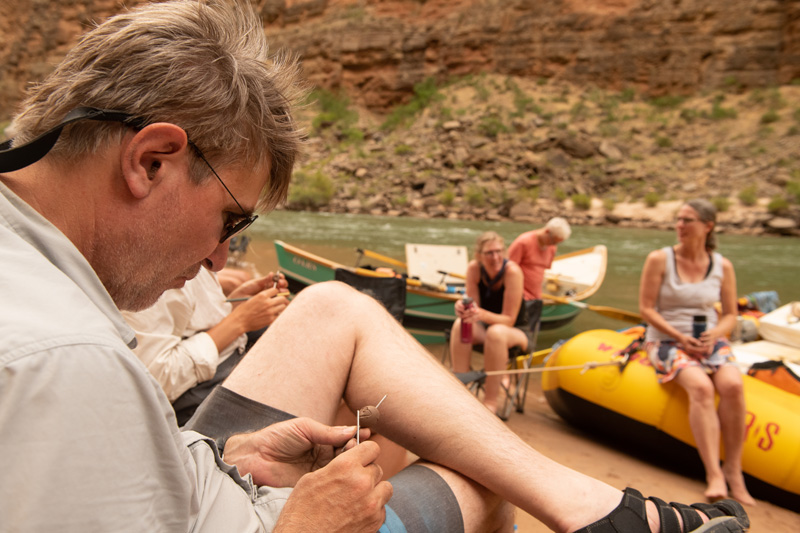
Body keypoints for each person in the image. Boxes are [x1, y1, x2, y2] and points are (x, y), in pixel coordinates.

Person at [0, 2, 750, 532]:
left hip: (210, 472)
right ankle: (603, 515)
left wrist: (215, 449)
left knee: (332, 306)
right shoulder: (67, 365)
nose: (219, 255)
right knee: (485, 497)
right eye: (232, 217)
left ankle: (595, 510)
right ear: (152, 159)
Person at [639, 199, 756, 506]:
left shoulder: (722, 266)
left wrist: (715, 334)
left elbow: (730, 314)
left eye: (687, 220)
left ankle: (734, 471)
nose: (679, 225)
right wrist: (679, 337)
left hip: (708, 338)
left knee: (732, 385)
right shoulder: (659, 259)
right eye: (678, 219)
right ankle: (714, 474)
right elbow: (646, 309)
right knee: (702, 387)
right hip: (665, 340)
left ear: (707, 226)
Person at [121, 267, 289, 425]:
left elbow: (192, 321)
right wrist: (239, 320)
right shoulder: (155, 275)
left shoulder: (196, 264)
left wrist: (234, 307)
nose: (220, 262)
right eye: (219, 239)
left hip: (222, 363)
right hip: (191, 404)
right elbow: (155, 380)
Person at [450, 231, 529, 417]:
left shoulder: (513, 272)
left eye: (499, 251)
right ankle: (460, 388)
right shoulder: (474, 269)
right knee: (460, 323)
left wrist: (480, 314)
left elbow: (509, 319)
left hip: (515, 331)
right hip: (487, 327)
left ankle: (490, 401)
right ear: (479, 255)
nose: (495, 257)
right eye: (489, 253)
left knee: (497, 332)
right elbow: (473, 307)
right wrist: (463, 308)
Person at [508, 216, 571, 300]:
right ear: (547, 231)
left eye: (556, 243)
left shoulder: (551, 248)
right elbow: (507, 270)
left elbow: (541, 271)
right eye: (553, 241)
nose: (553, 245)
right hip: (520, 296)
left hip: (536, 296)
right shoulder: (523, 242)